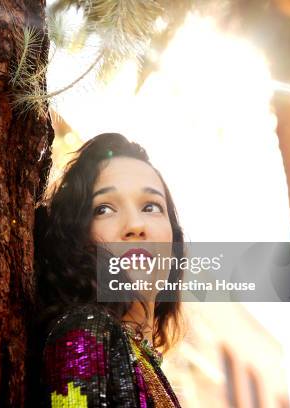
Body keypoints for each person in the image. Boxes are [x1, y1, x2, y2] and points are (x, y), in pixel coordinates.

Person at [31, 133, 184, 407]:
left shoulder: (140, 356)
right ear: (77, 236)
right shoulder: (84, 335)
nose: (135, 225)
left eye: (151, 206)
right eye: (104, 209)